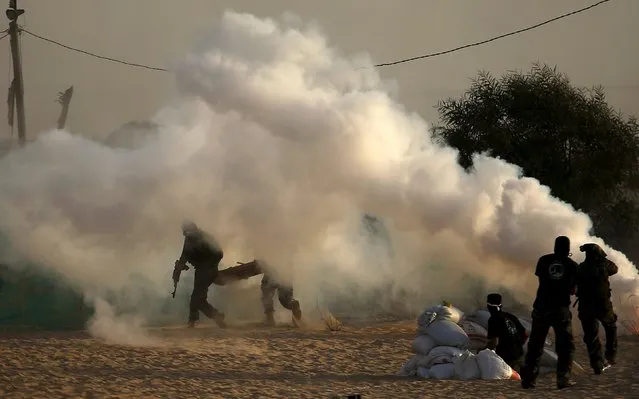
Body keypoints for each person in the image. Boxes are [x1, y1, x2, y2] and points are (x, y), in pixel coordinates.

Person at [520, 236, 578, 390]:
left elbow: (542, 279)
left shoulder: (543, 260)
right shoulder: (572, 265)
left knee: (535, 345)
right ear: (568, 249)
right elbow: (573, 290)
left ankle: (528, 380)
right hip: (560, 309)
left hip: (542, 308)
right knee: (565, 346)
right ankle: (563, 379)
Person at [172, 221, 227, 329]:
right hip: (204, 270)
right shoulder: (195, 238)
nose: (186, 234)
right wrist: (179, 267)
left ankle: (211, 317)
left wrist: (207, 264)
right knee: (197, 297)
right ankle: (196, 320)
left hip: (206, 270)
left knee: (197, 298)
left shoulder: (199, 238)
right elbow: (185, 256)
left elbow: (219, 253)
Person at [575, 243, 618, 374]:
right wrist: (602, 257)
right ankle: (610, 356)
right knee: (611, 328)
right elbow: (615, 269)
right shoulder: (604, 265)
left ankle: (597, 365)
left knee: (591, 336)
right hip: (602, 306)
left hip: (586, 306)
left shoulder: (581, 268)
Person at [243, 259, 303, 327]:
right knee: (286, 299)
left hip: (271, 274)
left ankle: (270, 319)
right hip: (286, 275)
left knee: (266, 295)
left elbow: (264, 258)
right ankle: (293, 304)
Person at [485, 293, 528, 371]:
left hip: (506, 356)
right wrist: (516, 345)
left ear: (488, 306)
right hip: (519, 354)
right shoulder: (511, 316)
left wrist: (483, 351)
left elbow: (494, 342)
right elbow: (524, 334)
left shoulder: (493, 319)